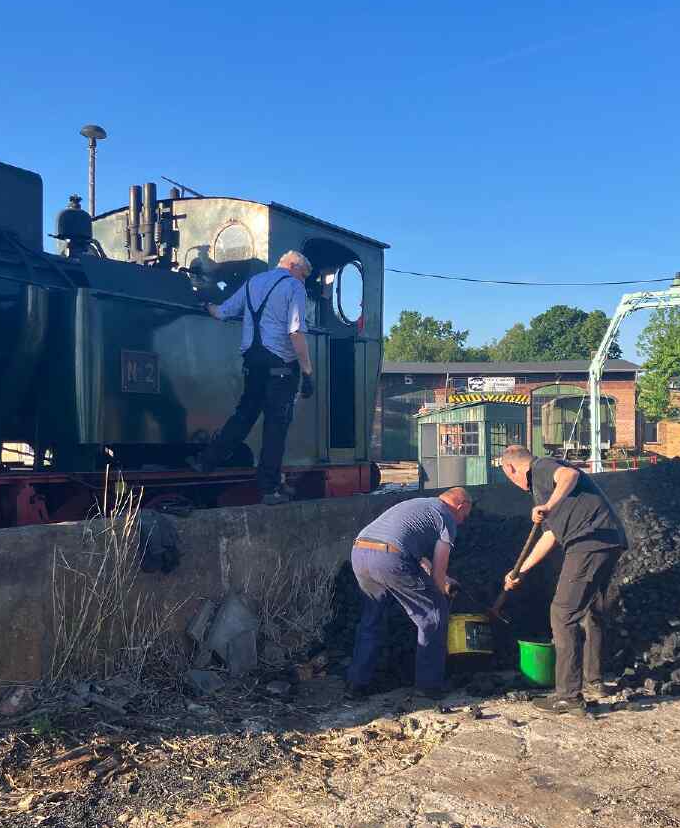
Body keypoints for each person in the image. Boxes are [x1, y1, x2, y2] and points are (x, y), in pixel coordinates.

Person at [499, 445, 627, 713]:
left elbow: (570, 475)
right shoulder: (543, 489)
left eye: (508, 477)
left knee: (562, 613)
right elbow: (550, 536)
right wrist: (520, 570)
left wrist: (548, 505)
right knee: (590, 611)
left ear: (510, 468)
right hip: (606, 540)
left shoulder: (541, 468)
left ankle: (569, 695)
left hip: (588, 541)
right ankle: (594, 681)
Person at [190, 251, 315, 505]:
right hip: (281, 367)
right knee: (275, 428)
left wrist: (204, 304)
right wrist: (307, 372)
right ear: (293, 266)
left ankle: (206, 461)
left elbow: (222, 312)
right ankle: (269, 489)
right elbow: (295, 332)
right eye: (303, 275)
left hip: (253, 364)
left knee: (244, 416)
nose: (303, 281)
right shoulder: (294, 287)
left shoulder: (253, 283)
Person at [346, 487, 473, 699]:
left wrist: (444, 579)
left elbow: (417, 557)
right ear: (461, 507)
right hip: (390, 558)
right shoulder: (446, 517)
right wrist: (442, 592)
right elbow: (438, 574)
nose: (462, 522)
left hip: (360, 552)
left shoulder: (419, 505)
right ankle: (428, 685)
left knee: (372, 618)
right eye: (464, 516)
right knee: (433, 614)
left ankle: (356, 683)